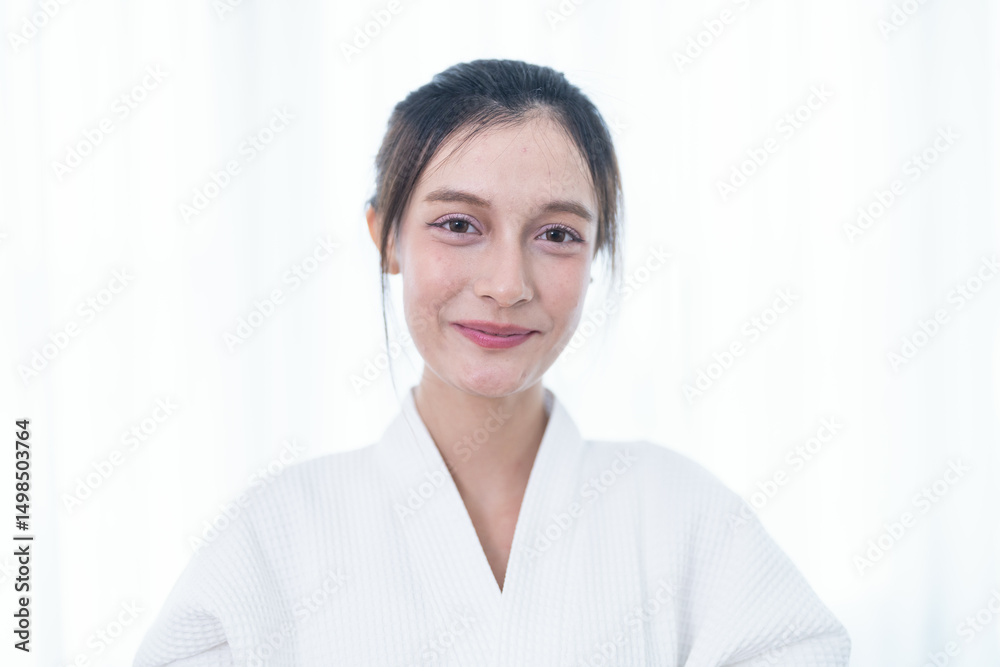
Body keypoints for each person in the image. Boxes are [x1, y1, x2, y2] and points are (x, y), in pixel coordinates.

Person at [133, 59, 851, 667]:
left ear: (598, 252)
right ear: (386, 238)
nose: (507, 284)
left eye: (557, 234)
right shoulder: (272, 540)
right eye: (458, 224)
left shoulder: (687, 520)